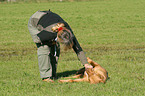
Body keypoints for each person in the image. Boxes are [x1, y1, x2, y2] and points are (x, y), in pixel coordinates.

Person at [28, 10, 92, 82]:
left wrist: (85, 63)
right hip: (35, 21)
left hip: (48, 18)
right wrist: (51, 42)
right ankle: (45, 77)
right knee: (44, 48)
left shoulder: (67, 30)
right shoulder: (47, 34)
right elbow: (38, 40)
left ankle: (52, 74)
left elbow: (77, 47)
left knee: (55, 47)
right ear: (58, 37)